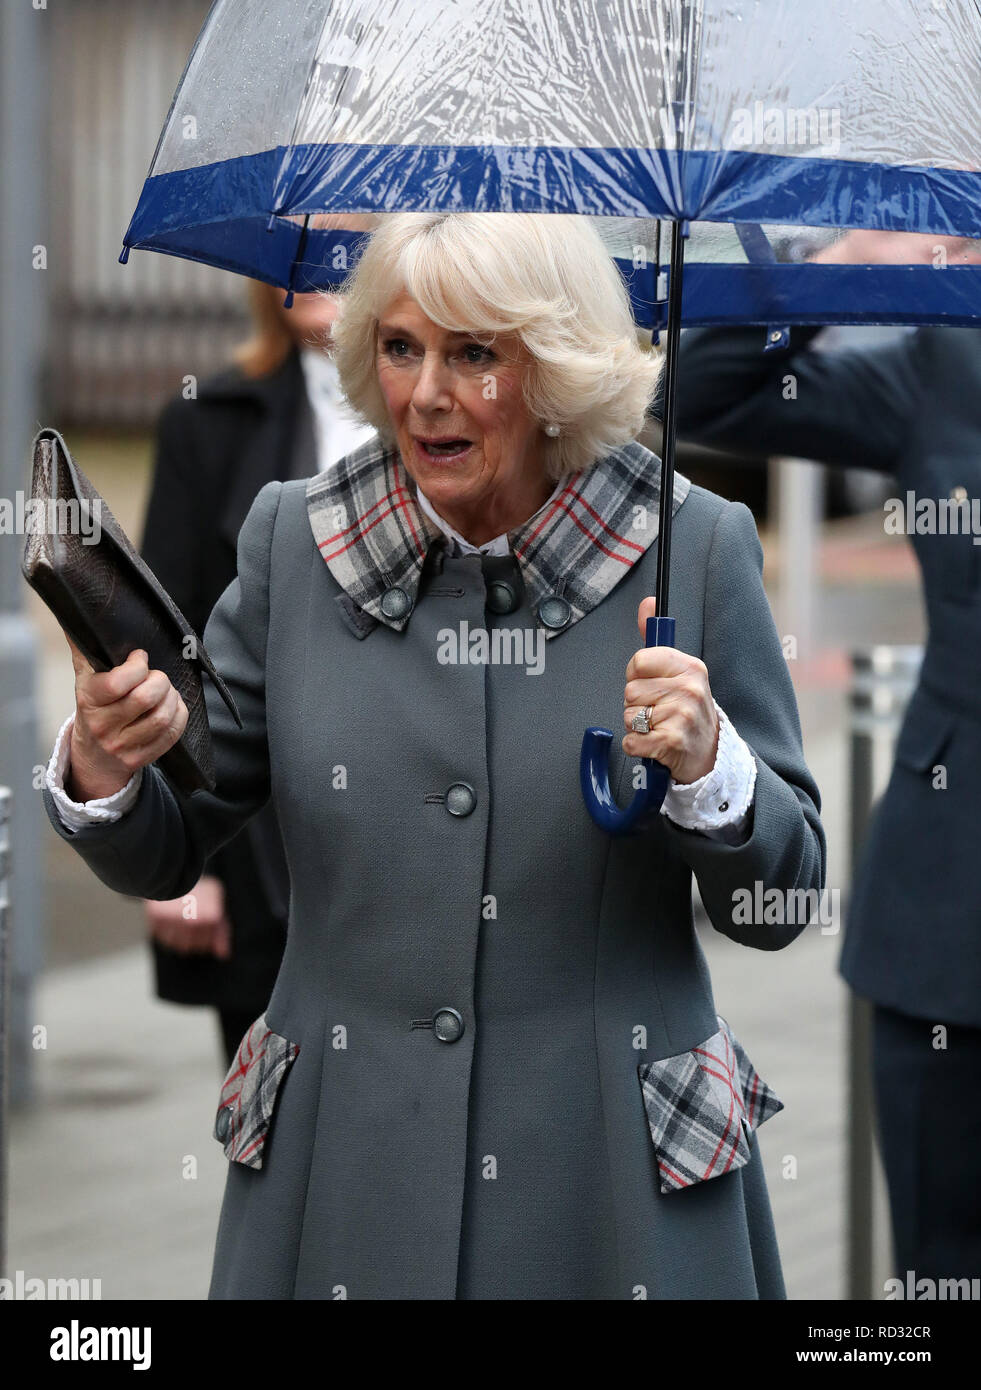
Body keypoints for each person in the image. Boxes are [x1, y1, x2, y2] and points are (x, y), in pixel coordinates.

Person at [39, 211, 824, 1300]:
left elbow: (782, 898)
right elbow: (175, 838)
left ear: (551, 370)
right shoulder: (293, 543)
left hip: (611, 1197)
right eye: (401, 347)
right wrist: (105, 768)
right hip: (342, 1177)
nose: (425, 394)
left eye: (472, 354)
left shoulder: (694, 548)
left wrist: (711, 771)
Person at [661, 228, 981, 1286]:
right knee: (940, 1268)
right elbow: (701, 391)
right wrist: (844, 261)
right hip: (950, 916)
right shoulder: (952, 356)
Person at [139, 216, 379, 1068]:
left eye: (350, 242)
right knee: (267, 1129)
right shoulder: (207, 419)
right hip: (250, 842)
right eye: (301, 241)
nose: (317, 264)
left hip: (399, 843)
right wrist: (183, 859)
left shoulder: (445, 426)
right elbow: (162, 639)